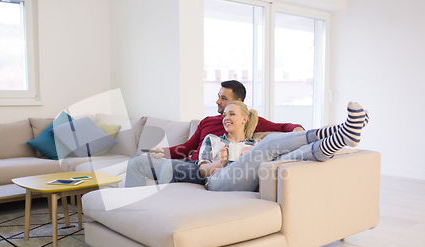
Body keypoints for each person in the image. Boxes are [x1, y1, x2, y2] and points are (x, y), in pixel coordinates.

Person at [125, 80, 304, 187]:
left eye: (223, 98)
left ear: (238, 103)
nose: (218, 101)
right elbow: (187, 147)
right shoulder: (207, 122)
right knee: (135, 161)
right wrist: (162, 151)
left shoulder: (247, 120)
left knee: (168, 167)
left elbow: (284, 127)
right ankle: (128, 213)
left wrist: (297, 130)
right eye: (218, 96)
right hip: (190, 164)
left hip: (202, 170)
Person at [198, 100, 369, 192]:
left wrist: (249, 154)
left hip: (254, 181)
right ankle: (343, 129)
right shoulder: (212, 139)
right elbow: (201, 170)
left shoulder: (254, 144)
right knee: (269, 144)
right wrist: (222, 163)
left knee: (291, 157)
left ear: (244, 119)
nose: (225, 118)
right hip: (218, 181)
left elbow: (283, 127)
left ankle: (342, 137)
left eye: (232, 114)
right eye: (224, 115)